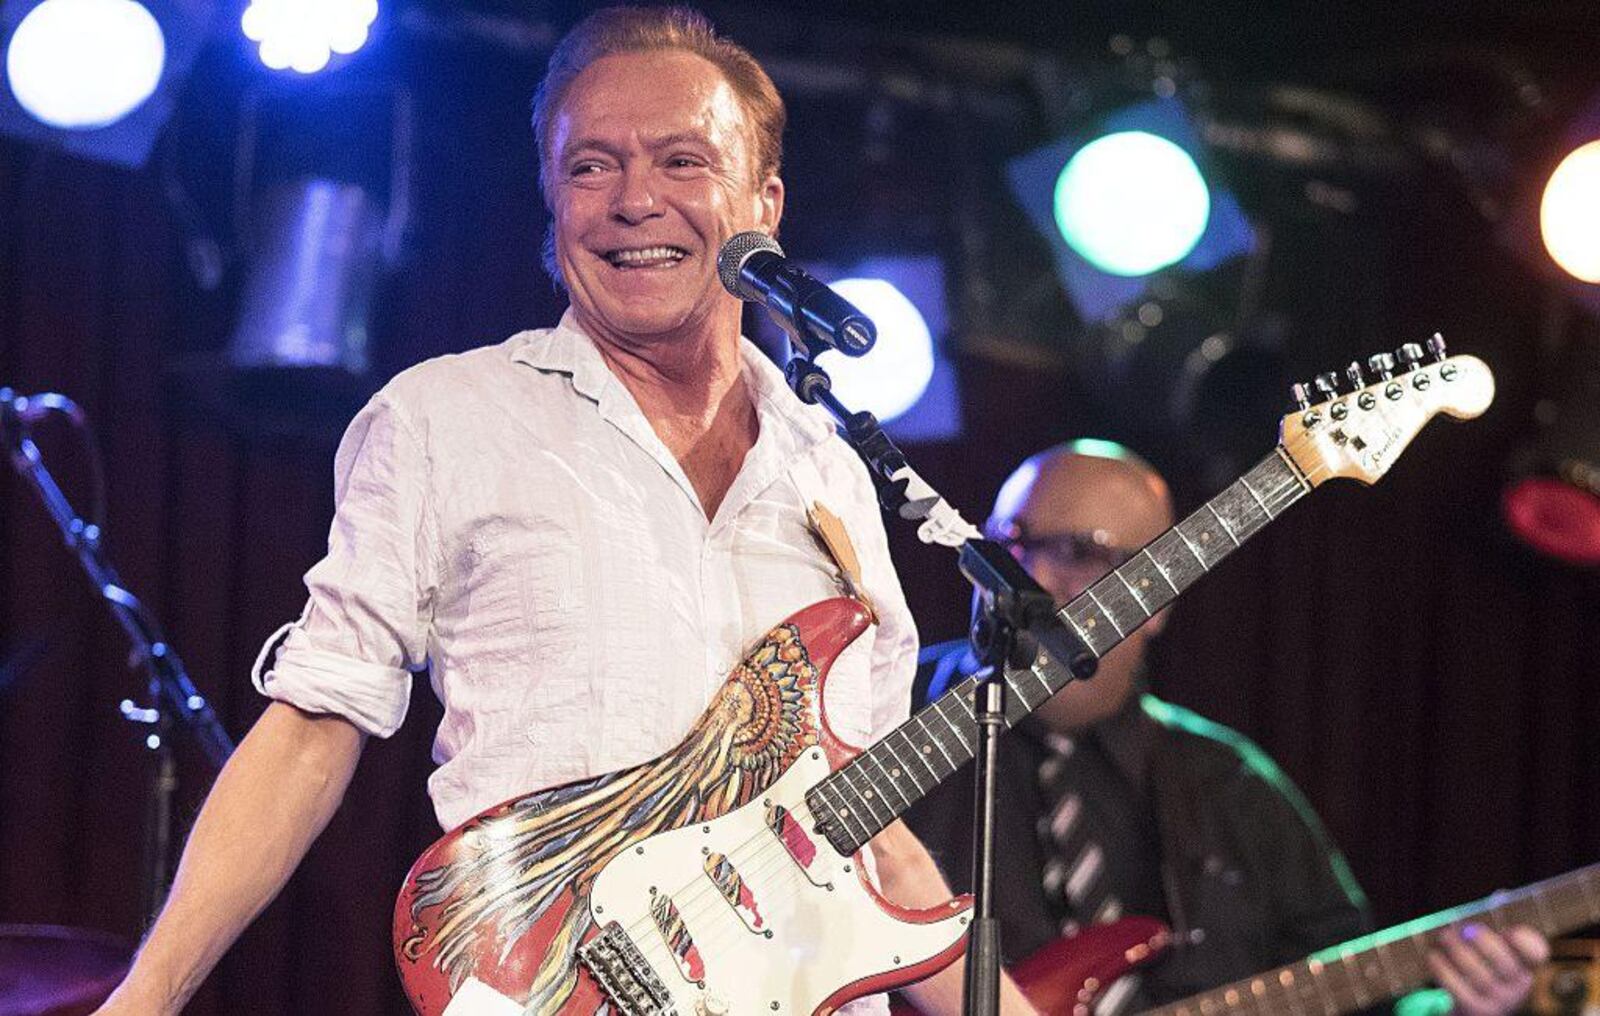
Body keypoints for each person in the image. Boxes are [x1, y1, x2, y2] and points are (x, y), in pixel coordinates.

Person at [96, 8, 1036, 1015]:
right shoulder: (445, 419)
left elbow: (865, 823)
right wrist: (143, 996)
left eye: (682, 161)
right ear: (550, 200)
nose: (634, 199)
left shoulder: (835, 469)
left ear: (763, 202)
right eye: (590, 166)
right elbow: (313, 722)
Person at [902, 440, 1549, 1015]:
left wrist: (1455, 1008)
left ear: (1161, 597)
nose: (1032, 579)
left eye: (1079, 553)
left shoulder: (1231, 785)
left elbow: (1359, 995)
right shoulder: (885, 723)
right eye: (1006, 544)